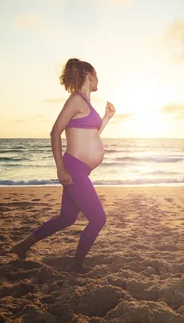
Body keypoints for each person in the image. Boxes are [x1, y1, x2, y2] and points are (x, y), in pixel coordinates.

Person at [10, 58, 115, 273]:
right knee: (98, 219)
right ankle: (76, 265)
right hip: (74, 168)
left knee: (66, 218)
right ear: (89, 75)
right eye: (97, 76)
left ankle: (22, 246)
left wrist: (106, 117)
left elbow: (90, 136)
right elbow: (55, 131)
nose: (98, 81)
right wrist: (61, 168)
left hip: (81, 169)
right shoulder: (75, 100)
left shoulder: (86, 104)